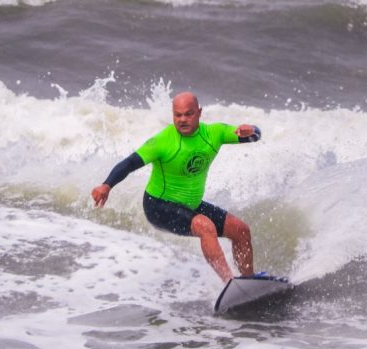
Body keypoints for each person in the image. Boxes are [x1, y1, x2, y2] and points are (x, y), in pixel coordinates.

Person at [91, 92, 262, 283]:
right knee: (205, 226)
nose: (182, 120)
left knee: (241, 230)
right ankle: (230, 284)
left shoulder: (214, 133)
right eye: (177, 115)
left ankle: (249, 282)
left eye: (188, 114)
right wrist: (107, 185)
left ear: (199, 113)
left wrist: (251, 130)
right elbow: (129, 163)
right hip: (158, 206)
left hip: (191, 205)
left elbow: (253, 135)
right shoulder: (163, 141)